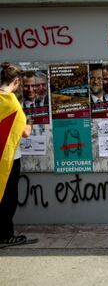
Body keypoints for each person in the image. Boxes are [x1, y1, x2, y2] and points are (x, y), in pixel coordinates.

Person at [0, 63, 33, 248]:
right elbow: (25, 132)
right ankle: (6, 235)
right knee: (9, 197)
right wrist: (30, 121)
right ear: (16, 81)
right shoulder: (12, 102)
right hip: (9, 158)